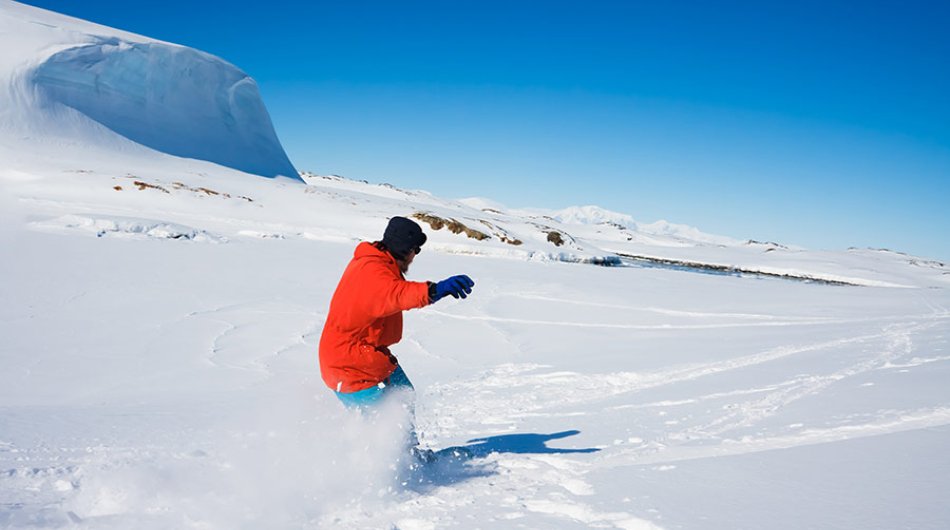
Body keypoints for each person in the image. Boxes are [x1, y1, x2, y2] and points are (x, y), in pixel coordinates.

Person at [319, 216, 475, 413]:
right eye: (416, 250)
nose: (415, 256)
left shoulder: (377, 262)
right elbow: (397, 294)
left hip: (369, 354)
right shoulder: (372, 271)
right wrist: (435, 290)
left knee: (405, 395)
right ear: (406, 250)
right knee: (385, 422)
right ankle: (383, 444)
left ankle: (408, 443)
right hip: (351, 365)